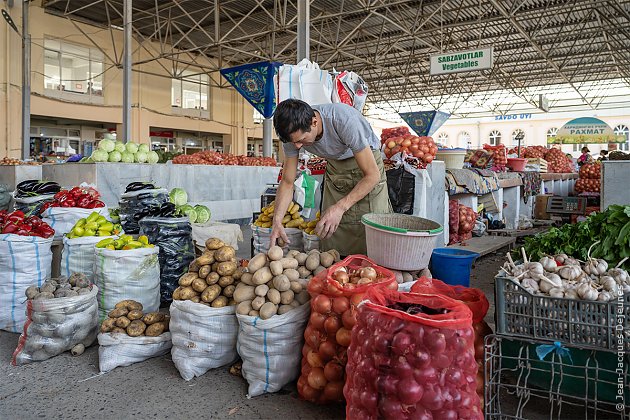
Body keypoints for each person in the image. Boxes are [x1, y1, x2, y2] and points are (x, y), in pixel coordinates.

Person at [270, 99, 391, 256]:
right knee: (331, 230)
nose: (298, 147)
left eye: (301, 140)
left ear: (314, 122)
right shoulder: (292, 136)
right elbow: (287, 181)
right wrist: (277, 221)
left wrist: (340, 207)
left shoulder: (343, 120)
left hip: (367, 166)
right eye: (294, 142)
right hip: (336, 168)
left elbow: (372, 175)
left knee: (371, 228)